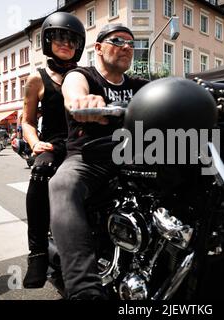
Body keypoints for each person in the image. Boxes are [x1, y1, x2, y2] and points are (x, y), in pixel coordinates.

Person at [48, 23, 150, 300]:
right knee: (63, 184)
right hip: (89, 156)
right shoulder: (82, 75)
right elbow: (73, 91)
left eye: (132, 43)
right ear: (98, 48)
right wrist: (81, 102)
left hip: (137, 157)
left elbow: (173, 92)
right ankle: (84, 288)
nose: (127, 46)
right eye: (118, 40)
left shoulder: (142, 86)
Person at [20, 12, 86, 289]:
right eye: (59, 36)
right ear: (48, 40)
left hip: (80, 144)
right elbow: (27, 121)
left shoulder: (84, 75)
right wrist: (35, 143)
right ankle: (37, 254)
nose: (66, 43)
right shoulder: (36, 79)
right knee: (41, 171)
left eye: (72, 39)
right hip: (53, 144)